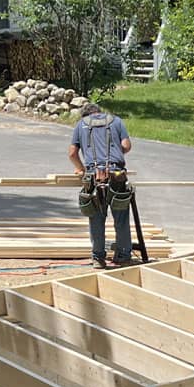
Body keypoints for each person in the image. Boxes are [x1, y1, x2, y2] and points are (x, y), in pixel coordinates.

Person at [68, 102, 134, 267]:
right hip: (116, 174)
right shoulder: (116, 121)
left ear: (85, 115)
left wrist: (80, 168)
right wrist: (114, 153)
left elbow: (72, 153)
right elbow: (126, 146)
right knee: (121, 216)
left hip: (94, 176)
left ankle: (98, 258)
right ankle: (124, 255)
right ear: (99, 112)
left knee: (96, 217)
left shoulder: (81, 125)